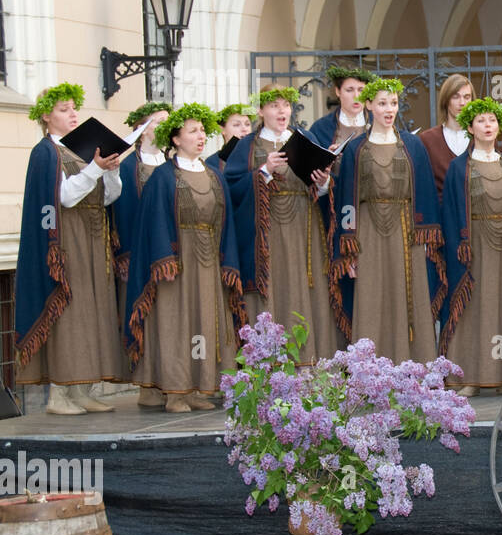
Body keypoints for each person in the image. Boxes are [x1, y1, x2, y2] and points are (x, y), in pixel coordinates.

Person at [124, 104, 245, 412]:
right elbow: (154, 222)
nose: (201, 136)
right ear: (175, 140)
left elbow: (226, 220)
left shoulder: (214, 175)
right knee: (177, 324)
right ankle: (176, 390)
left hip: (207, 262)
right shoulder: (164, 177)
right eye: (193, 131)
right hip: (176, 265)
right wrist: (165, 258)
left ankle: (197, 387)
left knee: (203, 323)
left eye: (203, 130)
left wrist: (226, 260)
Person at [15, 83, 125, 414]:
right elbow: (62, 198)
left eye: (74, 108)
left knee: (93, 313)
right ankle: (59, 395)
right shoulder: (46, 152)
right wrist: (95, 170)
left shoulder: (80, 150)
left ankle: (83, 389)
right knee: (71, 315)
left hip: (92, 239)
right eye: (64, 109)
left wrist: (112, 172)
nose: (73, 114)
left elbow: (107, 198)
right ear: (46, 116)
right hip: (66, 243)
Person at [225, 86, 340, 363]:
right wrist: (264, 171)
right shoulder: (248, 146)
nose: (282, 111)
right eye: (274, 106)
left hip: (304, 228)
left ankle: (310, 360)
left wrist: (324, 181)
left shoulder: (305, 138)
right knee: (274, 288)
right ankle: (271, 362)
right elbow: (232, 188)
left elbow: (320, 188)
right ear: (261, 111)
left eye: (286, 106)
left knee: (306, 285)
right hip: (267, 233)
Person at [333, 78, 444, 363]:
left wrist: (426, 237)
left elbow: (426, 193)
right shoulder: (356, 149)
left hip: (407, 232)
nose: (388, 109)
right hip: (368, 233)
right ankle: (370, 374)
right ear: (369, 105)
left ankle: (414, 369)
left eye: (393, 103)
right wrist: (348, 249)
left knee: (410, 297)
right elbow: (347, 200)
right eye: (382, 103)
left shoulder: (413, 145)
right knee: (372, 297)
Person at [440, 96, 502, 396]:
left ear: (499, 126)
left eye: (492, 120)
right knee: (474, 309)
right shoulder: (459, 168)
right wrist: (460, 250)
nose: (487, 126)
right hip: (474, 250)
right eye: (481, 121)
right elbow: (451, 213)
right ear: (470, 127)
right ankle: (469, 377)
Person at [112, 102, 172, 408]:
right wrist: (125, 256)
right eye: (159, 122)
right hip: (138, 258)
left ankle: (169, 379)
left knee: (168, 321)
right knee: (143, 320)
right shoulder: (127, 166)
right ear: (143, 128)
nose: (164, 127)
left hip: (166, 255)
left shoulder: (171, 163)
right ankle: (147, 384)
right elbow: (122, 212)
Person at [419, 74, 473, 194]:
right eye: (455, 97)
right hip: (441, 210)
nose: (462, 102)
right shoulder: (427, 140)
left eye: (467, 97)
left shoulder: (481, 138)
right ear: (446, 100)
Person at [309, 65, 376, 158]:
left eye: (361, 90)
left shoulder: (377, 124)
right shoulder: (321, 128)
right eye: (349, 90)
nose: (356, 96)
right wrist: (326, 159)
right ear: (338, 91)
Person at [206, 103, 255, 175]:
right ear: (222, 130)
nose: (244, 129)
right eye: (236, 125)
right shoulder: (212, 163)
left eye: (247, 124)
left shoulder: (257, 158)